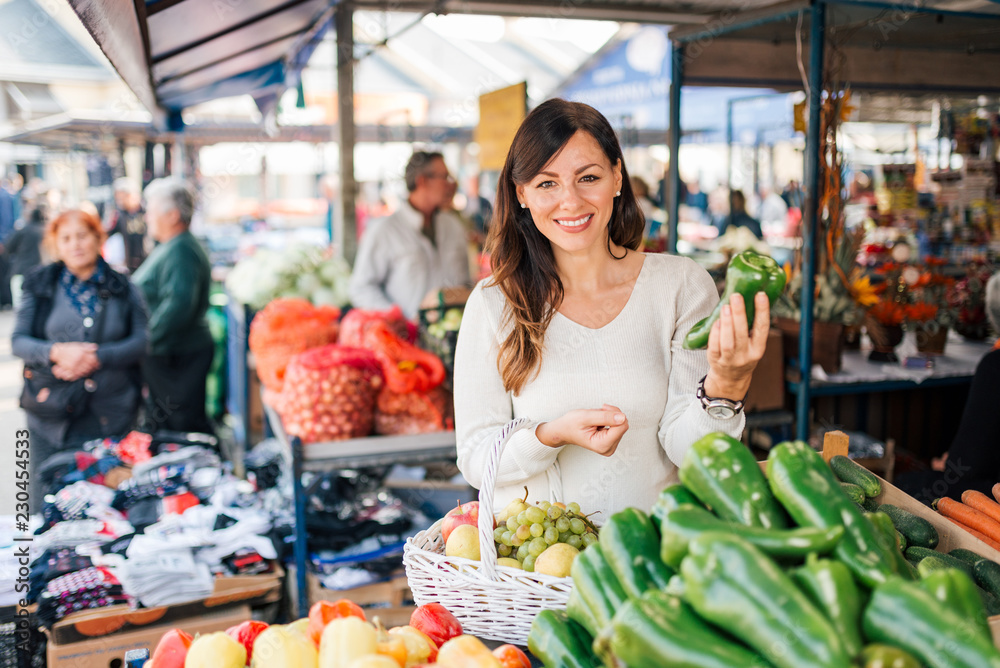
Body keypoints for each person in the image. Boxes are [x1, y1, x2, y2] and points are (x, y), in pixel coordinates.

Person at [452, 99, 770, 519]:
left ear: (617, 177)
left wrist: (726, 386)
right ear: (521, 193)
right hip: (537, 573)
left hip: (655, 558)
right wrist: (549, 436)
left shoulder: (681, 285)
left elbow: (694, 454)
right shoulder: (496, 302)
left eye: (588, 177)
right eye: (547, 183)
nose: (570, 201)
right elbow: (476, 456)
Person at [12, 210, 148, 511]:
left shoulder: (122, 285)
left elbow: (141, 341)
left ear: (98, 238)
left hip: (111, 415)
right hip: (52, 417)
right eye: (66, 238)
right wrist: (57, 352)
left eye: (82, 235)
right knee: (46, 504)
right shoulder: (41, 284)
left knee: (109, 505)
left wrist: (98, 356)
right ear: (56, 244)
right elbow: (19, 341)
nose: (75, 244)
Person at [896, 272, 1000, 506]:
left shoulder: (995, 366)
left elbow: (967, 466)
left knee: (908, 484)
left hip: (992, 498)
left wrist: (948, 465)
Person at [132, 178, 214, 435]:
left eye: (151, 211)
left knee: (183, 425)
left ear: (173, 215)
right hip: (173, 353)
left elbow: (178, 305)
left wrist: (146, 342)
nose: (147, 218)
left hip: (178, 356)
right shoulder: (172, 246)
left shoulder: (181, 250)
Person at [349, 151, 471, 318]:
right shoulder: (384, 230)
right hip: (405, 339)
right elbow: (362, 288)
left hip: (452, 335)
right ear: (422, 181)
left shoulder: (453, 226)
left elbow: (466, 284)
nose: (451, 185)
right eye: (444, 177)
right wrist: (396, 319)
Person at [5, 205, 47, 309]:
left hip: (21, 270)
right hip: (40, 271)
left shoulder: (23, 230)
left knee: (20, 307)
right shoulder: (45, 231)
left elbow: (8, 247)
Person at [103, 177, 148, 273]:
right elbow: (107, 233)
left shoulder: (147, 211)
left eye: (122, 198)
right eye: (118, 199)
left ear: (132, 195)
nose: (120, 202)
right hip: (131, 264)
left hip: (149, 260)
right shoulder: (120, 215)